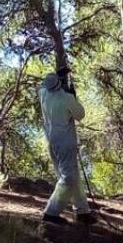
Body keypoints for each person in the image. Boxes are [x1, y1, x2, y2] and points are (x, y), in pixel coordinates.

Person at [39, 66, 96, 225]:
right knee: (68, 177)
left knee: (73, 175)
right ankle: (51, 211)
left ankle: (82, 211)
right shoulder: (66, 98)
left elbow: (42, 86)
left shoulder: (43, 94)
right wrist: (74, 97)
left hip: (51, 141)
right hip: (65, 142)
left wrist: (56, 75)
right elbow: (80, 115)